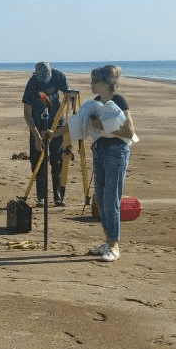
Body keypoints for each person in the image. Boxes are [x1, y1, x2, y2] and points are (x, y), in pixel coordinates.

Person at [66, 64, 136, 262]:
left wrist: (103, 126)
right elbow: (78, 124)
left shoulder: (119, 101)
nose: (91, 84)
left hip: (116, 152)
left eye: (94, 81)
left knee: (111, 199)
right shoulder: (94, 102)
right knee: (101, 199)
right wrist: (54, 133)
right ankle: (108, 241)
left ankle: (114, 246)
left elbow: (130, 132)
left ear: (104, 84)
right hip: (100, 150)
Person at [21, 62, 69, 207]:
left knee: (57, 160)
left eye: (46, 77)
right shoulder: (32, 83)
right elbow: (27, 115)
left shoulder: (59, 77)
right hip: (37, 123)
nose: (44, 80)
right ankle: (41, 197)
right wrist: (37, 137)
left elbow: (68, 96)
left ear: (51, 72)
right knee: (38, 162)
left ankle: (58, 197)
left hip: (56, 122)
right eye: (41, 78)